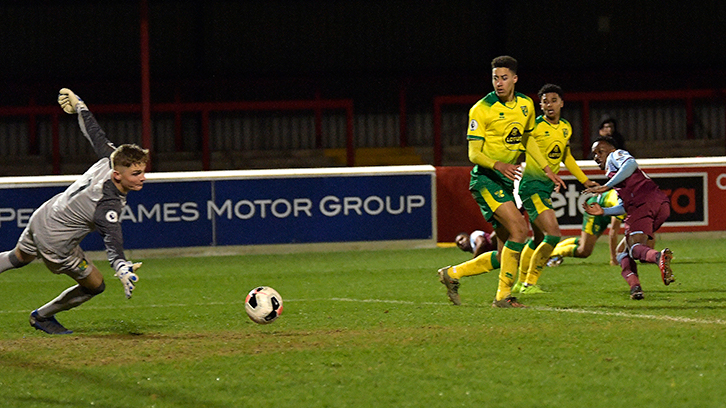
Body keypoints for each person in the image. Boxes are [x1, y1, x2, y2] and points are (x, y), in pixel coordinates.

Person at [0, 88, 148, 334]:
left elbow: (94, 132)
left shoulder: (110, 157)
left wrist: (81, 105)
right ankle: (42, 317)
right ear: (117, 175)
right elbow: (112, 235)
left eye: (143, 171)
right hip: (57, 241)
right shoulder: (108, 201)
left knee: (18, 257)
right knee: (95, 285)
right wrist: (120, 265)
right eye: (136, 174)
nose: (143, 178)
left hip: (44, 215)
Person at [437, 56, 565, 308]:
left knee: (505, 251)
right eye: (495, 78)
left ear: (515, 79)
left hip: (505, 181)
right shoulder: (481, 109)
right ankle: (504, 298)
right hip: (486, 179)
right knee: (520, 230)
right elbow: (473, 153)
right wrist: (499, 165)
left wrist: (547, 169)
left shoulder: (526, 105)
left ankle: (452, 274)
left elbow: (528, 140)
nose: (499, 83)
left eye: (504, 78)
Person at [513, 84, 598, 294]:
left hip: (545, 188)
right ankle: (529, 283)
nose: (549, 104)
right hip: (532, 186)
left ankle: (519, 283)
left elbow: (565, 156)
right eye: (544, 101)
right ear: (540, 105)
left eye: (553, 100)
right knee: (553, 235)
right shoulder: (534, 127)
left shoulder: (566, 127)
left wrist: (584, 181)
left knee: (540, 238)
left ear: (561, 103)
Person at [583, 136, 673, 300]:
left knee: (634, 248)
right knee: (622, 251)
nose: (596, 156)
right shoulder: (616, 176)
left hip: (642, 203)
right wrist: (603, 211)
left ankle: (658, 257)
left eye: (600, 151)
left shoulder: (615, 155)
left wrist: (607, 186)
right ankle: (635, 288)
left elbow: (631, 164)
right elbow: (623, 206)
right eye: (594, 154)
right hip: (659, 204)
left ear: (610, 150)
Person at [547, 189, 626, 266]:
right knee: (584, 251)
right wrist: (613, 259)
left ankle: (551, 249)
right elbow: (613, 232)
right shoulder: (621, 205)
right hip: (594, 209)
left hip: (604, 209)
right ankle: (548, 254)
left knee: (584, 242)